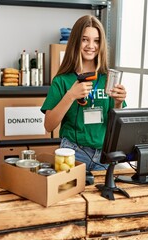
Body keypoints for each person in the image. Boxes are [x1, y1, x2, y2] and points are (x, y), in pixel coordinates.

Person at [41, 15, 127, 171]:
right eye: (85, 39)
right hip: (73, 153)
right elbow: (49, 125)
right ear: (75, 42)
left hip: (104, 155)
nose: (91, 45)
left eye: (96, 40)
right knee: (71, 194)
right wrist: (71, 95)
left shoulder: (108, 78)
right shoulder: (62, 80)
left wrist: (118, 103)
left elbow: (116, 125)